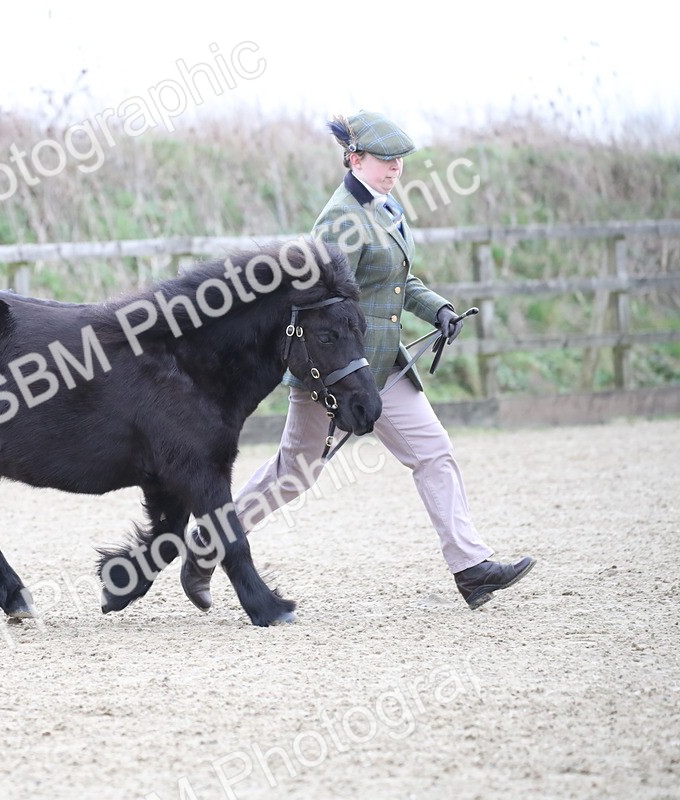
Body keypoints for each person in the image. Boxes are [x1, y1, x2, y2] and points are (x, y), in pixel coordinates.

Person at [180, 110, 534, 613]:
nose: (395, 169)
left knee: (434, 451)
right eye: (385, 161)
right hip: (336, 373)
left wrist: (440, 309)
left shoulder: (387, 209)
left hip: (384, 367)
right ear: (354, 158)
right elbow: (315, 298)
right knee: (294, 474)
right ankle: (208, 544)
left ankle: (471, 568)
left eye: (399, 162)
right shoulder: (341, 219)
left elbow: (397, 282)